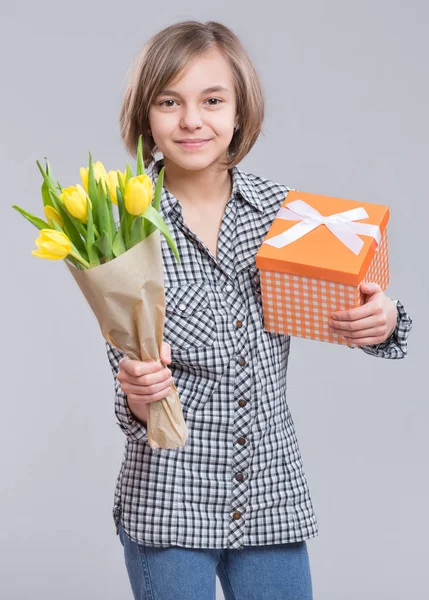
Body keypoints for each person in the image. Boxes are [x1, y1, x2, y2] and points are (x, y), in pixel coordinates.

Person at [105, 19, 413, 600]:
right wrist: (137, 393)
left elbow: (352, 309)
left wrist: (385, 321)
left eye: (212, 100)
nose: (192, 120)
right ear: (146, 115)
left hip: (270, 494)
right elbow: (124, 388)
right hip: (170, 500)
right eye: (169, 101)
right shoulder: (121, 226)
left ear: (240, 110)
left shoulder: (289, 215)